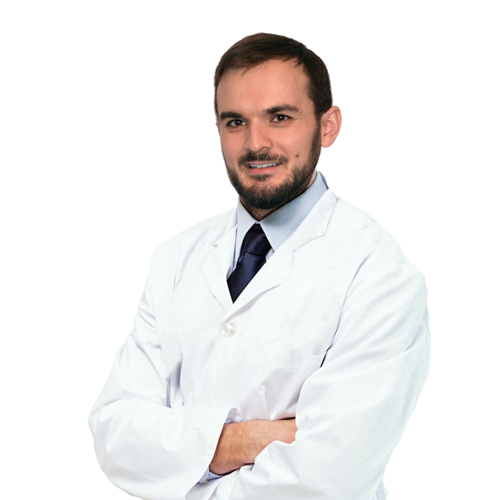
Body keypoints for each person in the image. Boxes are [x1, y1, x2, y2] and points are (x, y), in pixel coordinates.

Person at [87, 32, 431, 500]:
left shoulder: (381, 274)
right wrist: (246, 440)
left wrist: (181, 464)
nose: (256, 143)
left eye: (280, 117)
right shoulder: (175, 256)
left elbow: (330, 478)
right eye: (235, 122)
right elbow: (115, 436)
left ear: (328, 127)